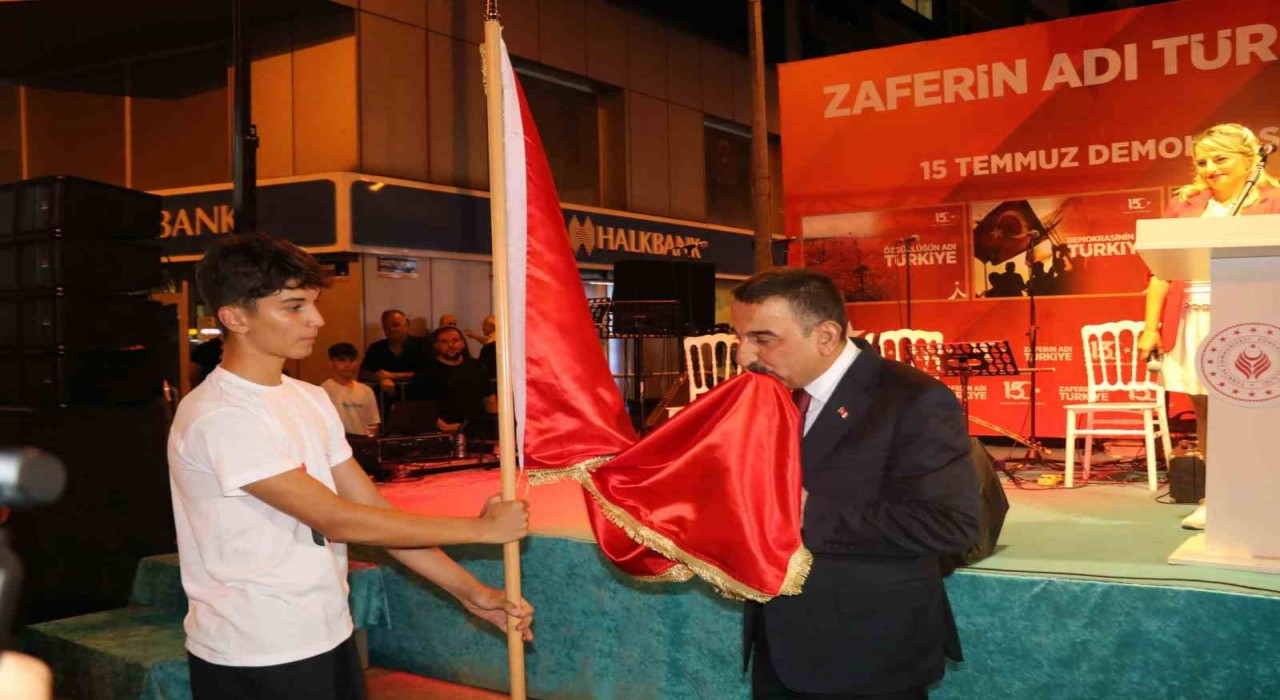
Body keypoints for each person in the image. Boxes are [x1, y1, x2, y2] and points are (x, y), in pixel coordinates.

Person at [169, 234, 532, 700]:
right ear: (235, 316)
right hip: (256, 648)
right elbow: (336, 519)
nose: (316, 320)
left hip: (328, 629)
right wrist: (481, 530)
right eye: (294, 306)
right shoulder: (221, 415)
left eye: (314, 304)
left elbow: (375, 511)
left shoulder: (308, 398)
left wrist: (471, 592)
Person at [731, 267, 979, 700]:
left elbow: (951, 524)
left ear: (825, 336)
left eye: (763, 339)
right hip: (779, 644)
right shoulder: (768, 394)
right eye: (740, 337)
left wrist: (809, 511)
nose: (743, 355)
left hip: (868, 651)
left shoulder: (913, 399)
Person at [1138, 123, 1280, 531]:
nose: (1210, 168)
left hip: (1256, 318)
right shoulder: (1185, 204)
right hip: (1194, 315)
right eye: (1202, 161)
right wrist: (1151, 328)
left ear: (1249, 158)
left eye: (1221, 159)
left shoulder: (1272, 200)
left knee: (1258, 411)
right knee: (1205, 407)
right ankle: (1216, 498)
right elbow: (1160, 273)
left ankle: (1260, 494)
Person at [408, 326, 493, 433]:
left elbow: (489, 398)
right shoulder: (426, 370)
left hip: (477, 430)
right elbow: (419, 405)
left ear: (462, 344)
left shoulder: (477, 366)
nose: (451, 345)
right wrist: (444, 426)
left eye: (455, 341)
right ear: (436, 346)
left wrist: (496, 426)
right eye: (444, 342)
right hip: (440, 432)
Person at [360, 310, 429, 397]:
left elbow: (428, 373)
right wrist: (378, 378)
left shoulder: (422, 345)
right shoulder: (376, 348)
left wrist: (392, 376)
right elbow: (363, 374)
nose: (391, 329)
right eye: (386, 327)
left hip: (417, 399)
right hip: (385, 401)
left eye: (396, 325)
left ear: (407, 325)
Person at [321, 342, 381, 437]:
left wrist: (370, 442)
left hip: (363, 442)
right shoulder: (323, 390)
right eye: (342, 360)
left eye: (352, 360)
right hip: (337, 443)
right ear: (331, 363)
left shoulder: (366, 390)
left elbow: (373, 422)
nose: (347, 365)